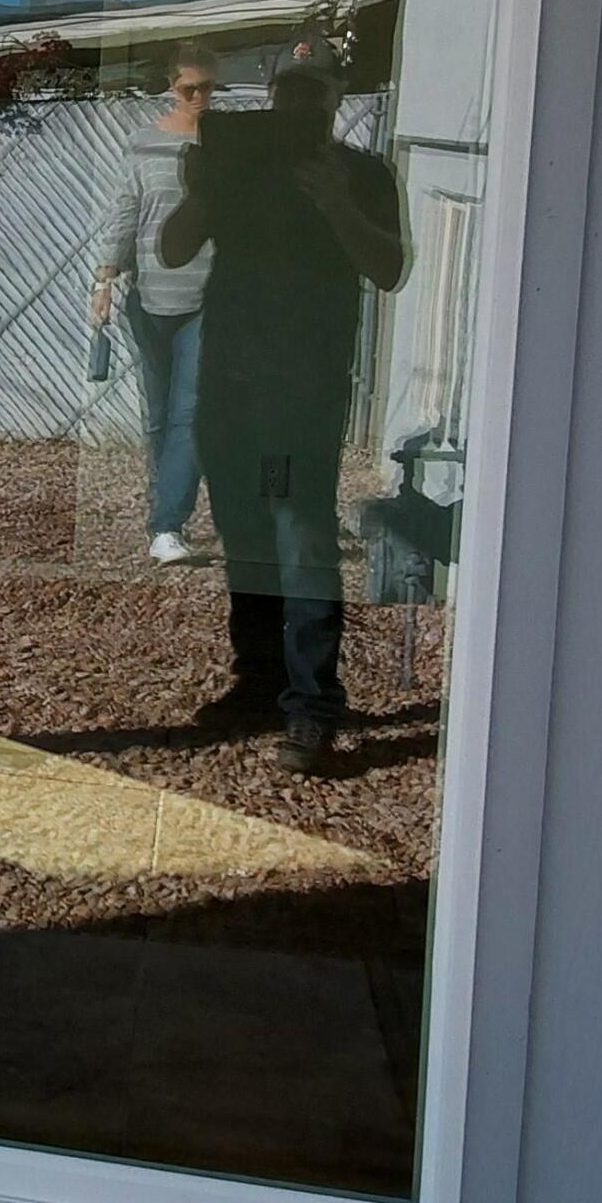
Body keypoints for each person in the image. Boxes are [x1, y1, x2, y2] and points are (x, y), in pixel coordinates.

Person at [159, 49, 406, 772]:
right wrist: (204, 190)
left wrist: (334, 201)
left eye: (313, 96)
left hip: (300, 393)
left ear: (335, 102)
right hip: (230, 386)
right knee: (247, 536)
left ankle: (312, 704)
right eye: (287, 95)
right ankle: (260, 681)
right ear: (272, 98)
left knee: (299, 540)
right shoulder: (240, 168)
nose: (299, 108)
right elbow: (173, 251)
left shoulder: (362, 174)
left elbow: (389, 269)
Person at [91, 47, 218, 564]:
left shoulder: (227, 144)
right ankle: (161, 510)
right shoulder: (144, 144)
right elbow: (126, 209)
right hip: (148, 296)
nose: (202, 99)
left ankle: (169, 526)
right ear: (172, 88)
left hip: (210, 294)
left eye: (210, 88)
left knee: (192, 412)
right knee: (158, 415)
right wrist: (103, 279)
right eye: (191, 89)